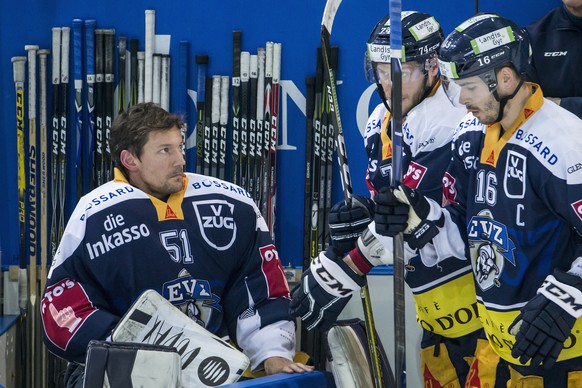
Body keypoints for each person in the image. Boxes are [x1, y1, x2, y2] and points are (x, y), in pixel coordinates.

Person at [291, 11, 507, 387]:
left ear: (433, 68)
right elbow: (393, 222)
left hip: (487, 326)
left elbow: (465, 230)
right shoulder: (380, 121)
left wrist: (355, 259)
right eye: (379, 70)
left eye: (401, 71)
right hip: (435, 324)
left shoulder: (465, 120)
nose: (388, 83)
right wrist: (352, 240)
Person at [372, 13, 582, 386]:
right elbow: (465, 225)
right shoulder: (471, 133)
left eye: (468, 86)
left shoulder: (566, 142)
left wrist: (569, 295)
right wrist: (420, 217)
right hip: (494, 354)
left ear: (505, 78)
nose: (461, 99)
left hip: (564, 360)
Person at [40, 102, 313, 387]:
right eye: (164, 150)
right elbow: (63, 308)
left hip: (214, 371)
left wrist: (272, 354)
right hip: (123, 370)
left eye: (179, 146)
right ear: (130, 160)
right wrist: (129, 352)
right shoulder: (93, 215)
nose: (180, 160)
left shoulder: (233, 204)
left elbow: (259, 289)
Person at [526, 0, 582, 118]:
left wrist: (561, 105)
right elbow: (529, 105)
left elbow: (545, 107)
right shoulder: (535, 36)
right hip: (557, 133)